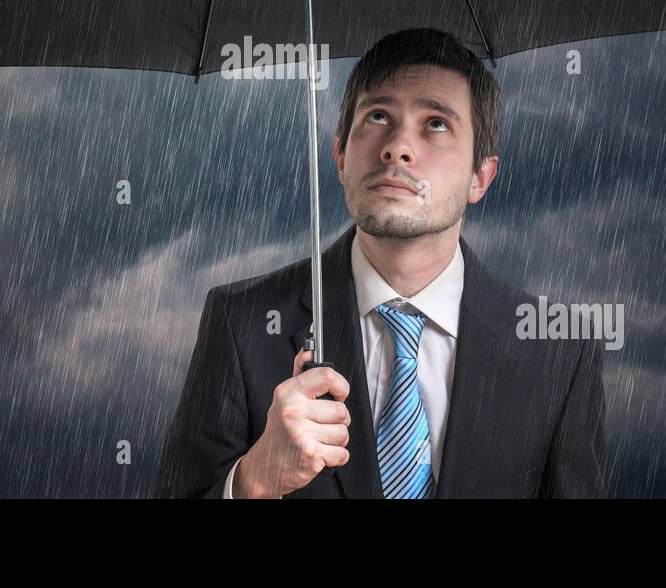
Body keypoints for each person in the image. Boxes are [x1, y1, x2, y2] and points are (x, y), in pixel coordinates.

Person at [154, 27, 607, 498]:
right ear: (340, 155)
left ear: (481, 176)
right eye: (377, 116)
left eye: (435, 123)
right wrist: (254, 480)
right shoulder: (241, 323)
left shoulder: (559, 354)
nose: (397, 147)